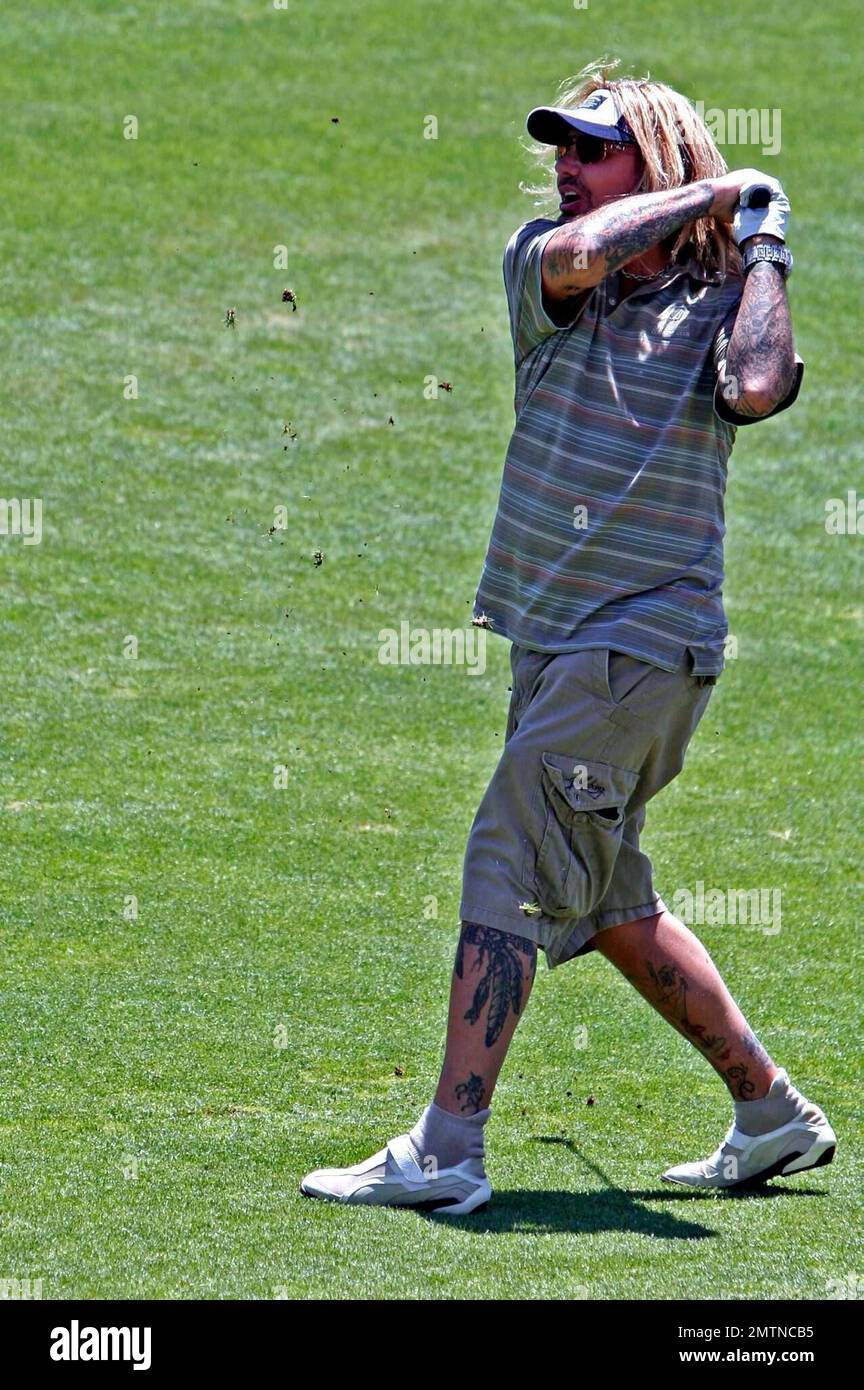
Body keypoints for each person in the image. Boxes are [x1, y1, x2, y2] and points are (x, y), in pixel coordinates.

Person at [301, 61, 836, 1215]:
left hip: (640, 646)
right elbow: (579, 255)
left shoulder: (722, 307)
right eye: (562, 149)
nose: (565, 168)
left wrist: (765, 250)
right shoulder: (547, 270)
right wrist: (709, 198)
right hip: (556, 646)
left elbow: (755, 386)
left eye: (593, 150)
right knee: (604, 903)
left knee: (505, 855)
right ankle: (772, 1114)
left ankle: (448, 1144)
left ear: (655, 157)